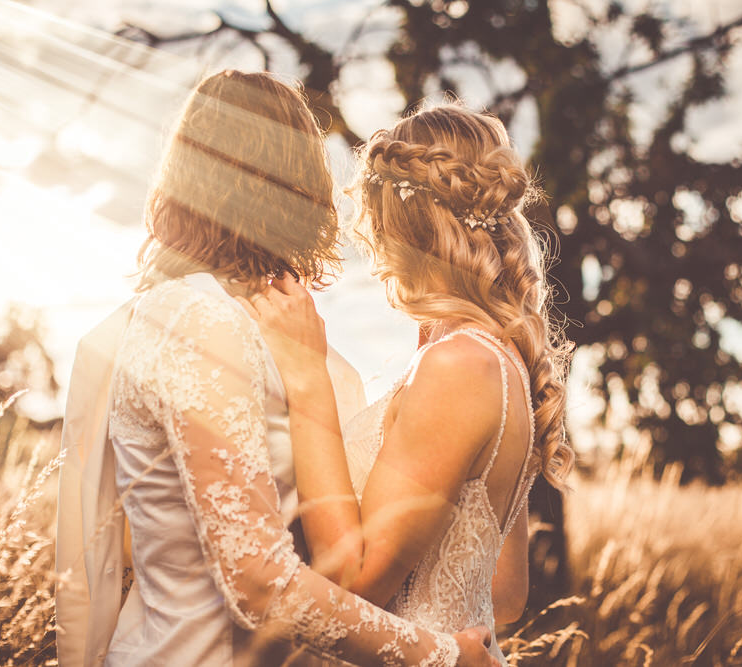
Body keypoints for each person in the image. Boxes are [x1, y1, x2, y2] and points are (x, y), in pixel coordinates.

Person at [54, 70, 498, 667]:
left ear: (185, 178)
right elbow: (259, 582)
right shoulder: (192, 319)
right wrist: (440, 657)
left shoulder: (305, 347)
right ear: (303, 185)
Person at [238, 104, 574, 665]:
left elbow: (351, 579)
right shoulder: (498, 359)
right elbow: (505, 591)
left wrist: (306, 376)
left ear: (401, 224)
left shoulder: (459, 366)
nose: (372, 255)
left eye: (372, 224)